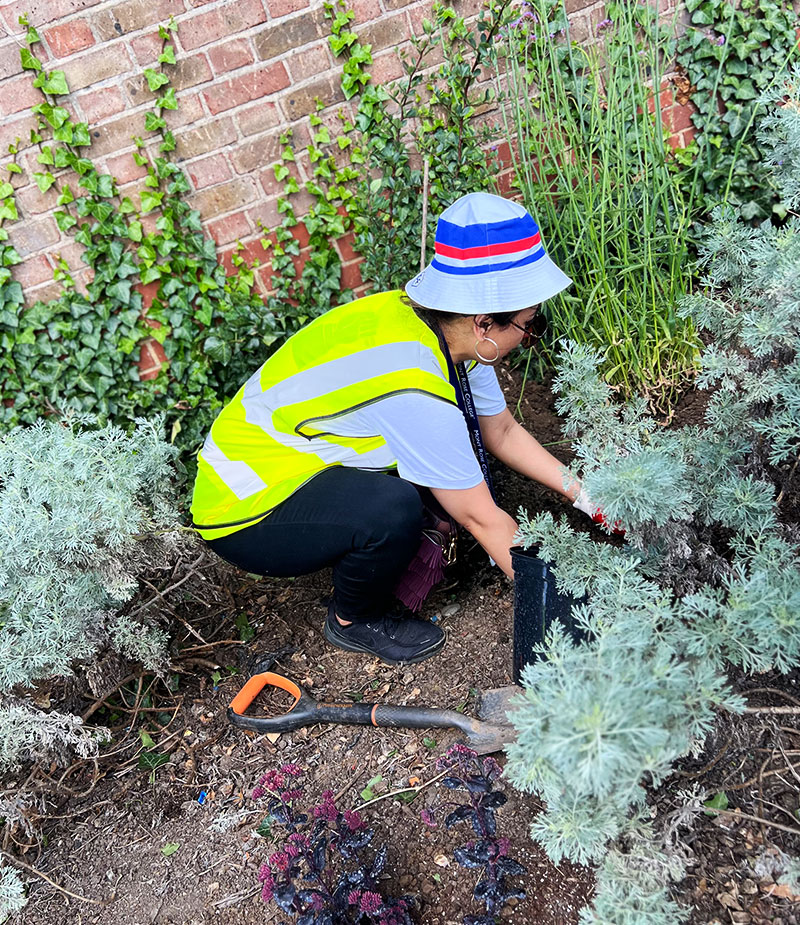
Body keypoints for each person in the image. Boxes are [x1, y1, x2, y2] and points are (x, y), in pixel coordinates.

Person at [191, 192, 598, 665]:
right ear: (486, 322)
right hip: (245, 505)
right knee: (393, 509)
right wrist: (565, 612)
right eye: (531, 326)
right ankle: (353, 619)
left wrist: (588, 496)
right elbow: (481, 519)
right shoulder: (413, 386)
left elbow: (501, 431)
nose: (532, 338)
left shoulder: (448, 332)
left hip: (292, 450)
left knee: (440, 481)